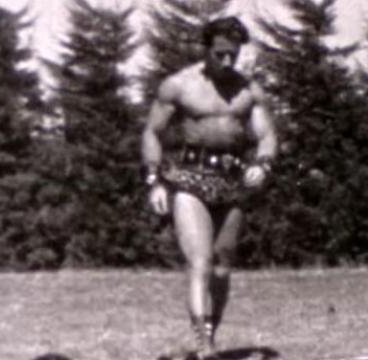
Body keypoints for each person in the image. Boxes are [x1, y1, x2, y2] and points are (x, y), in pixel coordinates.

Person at [141, 16, 277, 359]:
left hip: (231, 182)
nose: (227, 61)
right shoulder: (179, 85)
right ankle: (204, 347)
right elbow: (152, 133)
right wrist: (154, 179)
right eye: (219, 54)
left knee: (221, 265)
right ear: (206, 49)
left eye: (233, 54)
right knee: (199, 262)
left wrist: (263, 164)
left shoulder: (249, 91)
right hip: (189, 179)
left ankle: (209, 338)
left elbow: (266, 136)